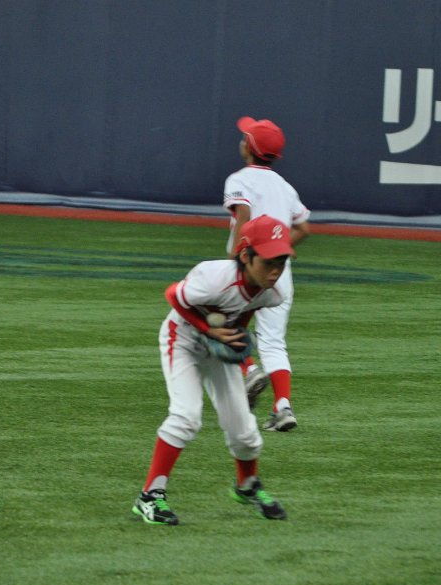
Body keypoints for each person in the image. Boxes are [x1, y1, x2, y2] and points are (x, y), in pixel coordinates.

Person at [133, 215, 295, 526]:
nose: (276, 269)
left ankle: (247, 486)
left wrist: (236, 343)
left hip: (216, 347)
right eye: (269, 261)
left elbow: (244, 311)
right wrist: (209, 329)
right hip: (182, 340)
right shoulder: (214, 277)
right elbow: (173, 295)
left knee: (244, 431)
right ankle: (149, 496)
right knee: (186, 416)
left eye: (282, 260)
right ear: (245, 256)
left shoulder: (272, 292)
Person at [223, 116, 310, 432]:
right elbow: (303, 227)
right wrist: (276, 250)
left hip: (248, 268)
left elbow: (243, 215)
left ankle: (250, 370)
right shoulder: (285, 187)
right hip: (279, 271)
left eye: (244, 137)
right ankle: (282, 407)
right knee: (273, 341)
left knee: (220, 324)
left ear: (248, 147)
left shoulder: (239, 179)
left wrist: (241, 258)